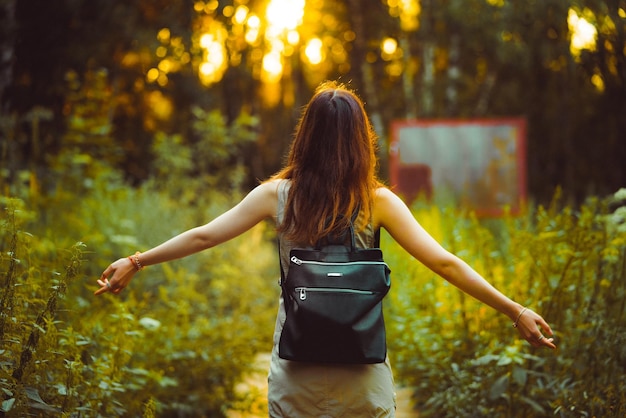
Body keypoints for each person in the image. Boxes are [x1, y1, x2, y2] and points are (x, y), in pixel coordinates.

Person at [96, 81, 556, 417]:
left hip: (297, 378)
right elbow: (443, 261)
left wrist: (136, 260)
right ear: (361, 141)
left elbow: (203, 235)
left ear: (307, 136)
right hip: (363, 378)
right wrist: (514, 310)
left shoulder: (276, 197)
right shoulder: (378, 203)